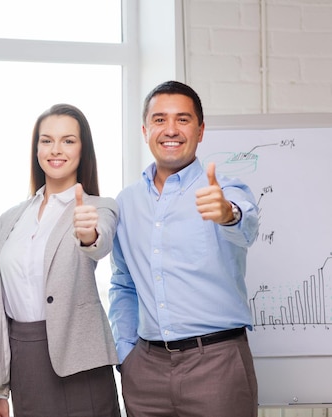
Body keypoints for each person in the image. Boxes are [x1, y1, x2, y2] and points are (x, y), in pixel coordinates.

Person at [108, 80, 259, 417]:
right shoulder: (126, 202)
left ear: (201, 130)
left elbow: (245, 225)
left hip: (217, 365)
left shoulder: (224, 189)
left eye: (183, 119)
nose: (170, 129)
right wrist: (126, 354)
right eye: (160, 119)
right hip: (145, 370)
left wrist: (226, 213)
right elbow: (123, 284)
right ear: (145, 130)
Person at [0, 104, 121, 417]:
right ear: (36, 149)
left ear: (83, 149)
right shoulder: (11, 218)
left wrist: (88, 234)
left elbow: (98, 243)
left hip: (80, 360)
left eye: (68, 140)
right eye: (47, 140)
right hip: (25, 359)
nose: (56, 149)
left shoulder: (99, 208)